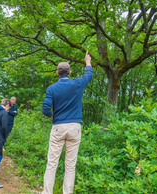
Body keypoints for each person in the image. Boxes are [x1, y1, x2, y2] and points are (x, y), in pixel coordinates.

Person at [41, 51, 93, 194]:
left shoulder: (52, 88)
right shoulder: (77, 84)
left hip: (58, 126)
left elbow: (45, 108)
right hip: (74, 127)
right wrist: (87, 61)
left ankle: (47, 192)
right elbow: (89, 75)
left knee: (52, 163)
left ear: (57, 73)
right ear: (70, 72)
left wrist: (51, 115)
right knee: (70, 165)